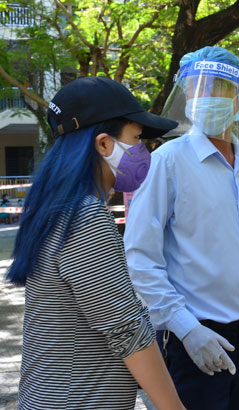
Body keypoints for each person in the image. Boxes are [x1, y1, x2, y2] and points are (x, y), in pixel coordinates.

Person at [124, 46, 239, 410]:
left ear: (238, 97)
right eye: (193, 87)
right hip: (191, 340)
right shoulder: (167, 162)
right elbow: (140, 256)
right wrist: (186, 329)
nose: (202, 96)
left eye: (215, 85)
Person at [4, 76, 183, 409]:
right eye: (137, 137)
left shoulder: (54, 209)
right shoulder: (84, 219)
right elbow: (128, 333)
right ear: (103, 144)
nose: (143, 151)